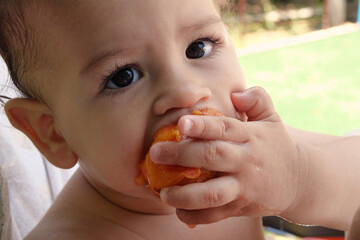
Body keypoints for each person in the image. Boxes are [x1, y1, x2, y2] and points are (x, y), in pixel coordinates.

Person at [0, 0, 359, 239]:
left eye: (198, 47)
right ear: (52, 134)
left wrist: (301, 177)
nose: (186, 91)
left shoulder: (247, 154)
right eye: (123, 76)